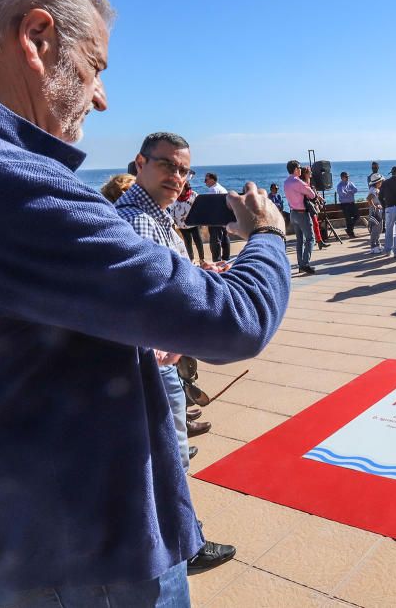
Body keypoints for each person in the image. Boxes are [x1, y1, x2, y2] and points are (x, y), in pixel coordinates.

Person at [0, 0, 292, 602]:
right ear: (37, 35)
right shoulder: (4, 180)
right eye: (95, 65)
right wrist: (267, 237)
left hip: (2, 535)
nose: (100, 97)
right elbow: (233, 321)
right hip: (88, 556)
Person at [115, 132, 236, 565]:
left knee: (167, 451)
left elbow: (165, 274)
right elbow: (140, 294)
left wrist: (201, 271)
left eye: (183, 169)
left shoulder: (157, 215)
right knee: (170, 456)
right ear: (140, 162)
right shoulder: (139, 219)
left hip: (156, 353)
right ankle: (187, 546)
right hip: (153, 358)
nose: (177, 176)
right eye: (167, 165)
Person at [285, 160, 318, 274]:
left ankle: (300, 264)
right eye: (299, 167)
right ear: (295, 169)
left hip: (293, 213)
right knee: (310, 239)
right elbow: (312, 194)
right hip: (302, 213)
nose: (300, 169)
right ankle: (305, 264)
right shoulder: (297, 182)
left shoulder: (286, 182)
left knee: (299, 240)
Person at [170, 180, 205, 262]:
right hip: (182, 224)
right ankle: (191, 259)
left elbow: (200, 208)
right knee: (187, 242)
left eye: (180, 187)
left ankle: (201, 259)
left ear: (185, 187)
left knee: (198, 241)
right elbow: (172, 209)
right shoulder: (175, 196)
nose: (179, 189)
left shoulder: (194, 194)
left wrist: (201, 219)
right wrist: (173, 221)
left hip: (194, 222)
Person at [203, 172, 231, 261]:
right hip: (224, 218)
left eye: (206, 180)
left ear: (212, 179)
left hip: (215, 219)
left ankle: (217, 260)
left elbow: (211, 206)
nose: (205, 182)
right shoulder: (222, 188)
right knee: (225, 238)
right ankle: (226, 258)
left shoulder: (213, 190)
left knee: (215, 240)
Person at [298, 167, 328, 249]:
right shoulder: (302, 183)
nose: (311, 173)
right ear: (305, 173)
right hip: (305, 207)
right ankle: (310, 241)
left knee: (315, 223)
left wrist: (319, 198)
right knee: (307, 225)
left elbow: (314, 192)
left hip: (311, 206)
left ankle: (319, 241)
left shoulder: (310, 182)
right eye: (309, 172)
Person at [335, 171, 359, 238]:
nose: (348, 177)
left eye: (348, 176)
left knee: (357, 216)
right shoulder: (339, 185)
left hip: (352, 203)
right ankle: (351, 233)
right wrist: (351, 192)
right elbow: (342, 194)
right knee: (348, 219)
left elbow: (356, 190)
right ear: (342, 178)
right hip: (345, 204)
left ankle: (349, 230)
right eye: (346, 177)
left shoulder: (350, 183)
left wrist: (348, 191)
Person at [366, 173, 384, 254]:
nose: (381, 182)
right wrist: (375, 207)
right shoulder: (373, 189)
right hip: (375, 213)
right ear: (377, 182)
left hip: (378, 212)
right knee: (375, 229)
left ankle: (377, 244)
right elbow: (369, 199)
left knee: (379, 228)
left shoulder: (376, 189)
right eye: (380, 181)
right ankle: (373, 246)